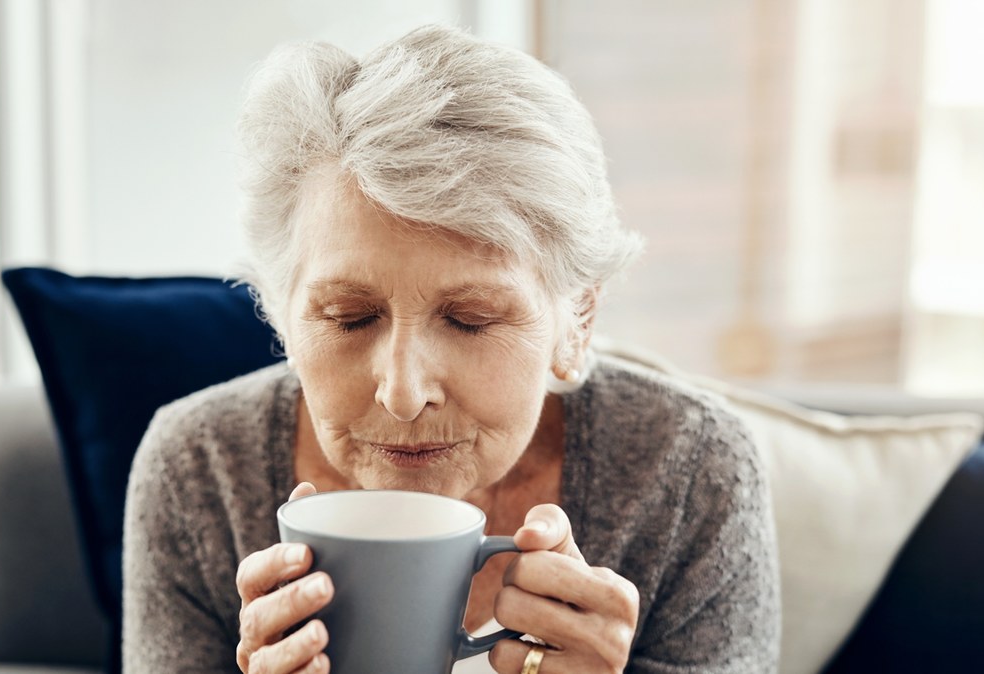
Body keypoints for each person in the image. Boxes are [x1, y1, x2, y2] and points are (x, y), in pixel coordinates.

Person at [123, 24, 779, 674]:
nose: (403, 394)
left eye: (470, 320)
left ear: (576, 320)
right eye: (350, 318)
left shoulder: (691, 471)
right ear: (283, 317)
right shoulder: (197, 469)